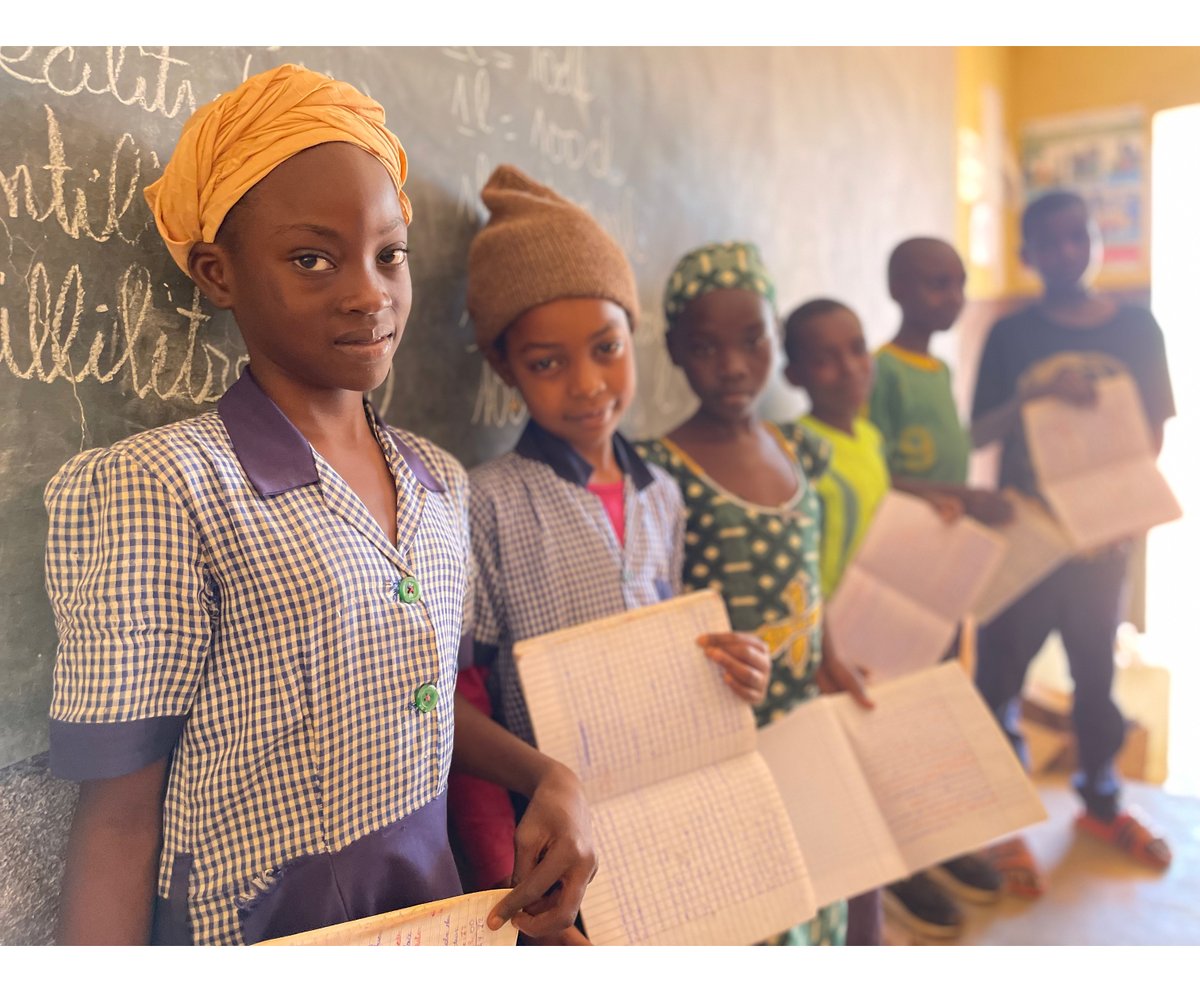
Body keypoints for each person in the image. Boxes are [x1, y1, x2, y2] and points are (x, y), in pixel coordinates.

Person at [43, 64, 596, 946]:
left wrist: (546, 773)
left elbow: (409, 696)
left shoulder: (437, 483)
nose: (369, 293)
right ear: (219, 275)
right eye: (312, 258)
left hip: (427, 920)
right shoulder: (166, 487)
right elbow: (118, 817)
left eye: (390, 254)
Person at [448, 169, 772, 944]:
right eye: (548, 363)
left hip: (668, 832)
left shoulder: (663, 493)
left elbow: (671, 654)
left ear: (633, 337)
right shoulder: (487, 500)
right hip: (555, 857)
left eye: (606, 349)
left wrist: (730, 670)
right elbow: (462, 703)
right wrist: (509, 889)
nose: (589, 385)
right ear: (505, 367)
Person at [638, 242, 873, 946]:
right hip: (727, 734)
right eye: (706, 347)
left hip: (803, 721)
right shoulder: (659, 469)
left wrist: (829, 655)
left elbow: (811, 581)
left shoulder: (799, 450)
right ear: (676, 351)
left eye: (752, 340)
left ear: (775, 336)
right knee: (757, 913)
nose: (733, 365)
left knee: (819, 891)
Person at [971, 189, 1175, 884]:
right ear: (1026, 256)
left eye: (1076, 238)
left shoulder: (1138, 329)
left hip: (1102, 544)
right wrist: (1036, 392)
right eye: (1048, 244)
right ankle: (1001, 824)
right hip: (1026, 536)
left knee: (1096, 680)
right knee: (998, 679)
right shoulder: (1011, 336)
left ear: (1098, 241)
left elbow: (1153, 433)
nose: (1065, 254)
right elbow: (980, 433)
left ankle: (1102, 801)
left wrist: (1114, 511)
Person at [863, 237, 1012, 938]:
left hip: (941, 572)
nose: (950, 298)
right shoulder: (882, 371)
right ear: (898, 289)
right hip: (897, 572)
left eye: (957, 283)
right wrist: (960, 495)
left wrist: (961, 502)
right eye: (933, 285)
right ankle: (901, 866)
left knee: (940, 704)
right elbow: (876, 472)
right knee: (896, 713)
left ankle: (941, 842)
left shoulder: (940, 366)